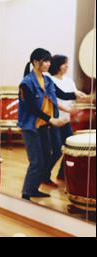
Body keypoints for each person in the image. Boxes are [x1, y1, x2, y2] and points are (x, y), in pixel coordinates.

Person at [18, 48, 83, 201]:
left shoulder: (47, 80)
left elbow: (59, 95)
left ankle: (34, 188)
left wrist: (77, 95)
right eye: (45, 61)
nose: (48, 64)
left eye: (48, 61)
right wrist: (51, 120)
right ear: (35, 62)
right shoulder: (26, 83)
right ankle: (27, 193)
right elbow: (31, 107)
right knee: (36, 161)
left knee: (47, 157)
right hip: (31, 127)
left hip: (43, 126)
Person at [48, 55, 89, 180]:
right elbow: (54, 101)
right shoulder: (50, 80)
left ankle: (62, 174)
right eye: (64, 64)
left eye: (67, 64)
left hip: (66, 120)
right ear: (57, 65)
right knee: (57, 150)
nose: (67, 66)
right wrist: (69, 110)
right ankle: (44, 175)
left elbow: (75, 94)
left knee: (69, 147)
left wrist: (86, 96)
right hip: (54, 120)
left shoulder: (69, 81)